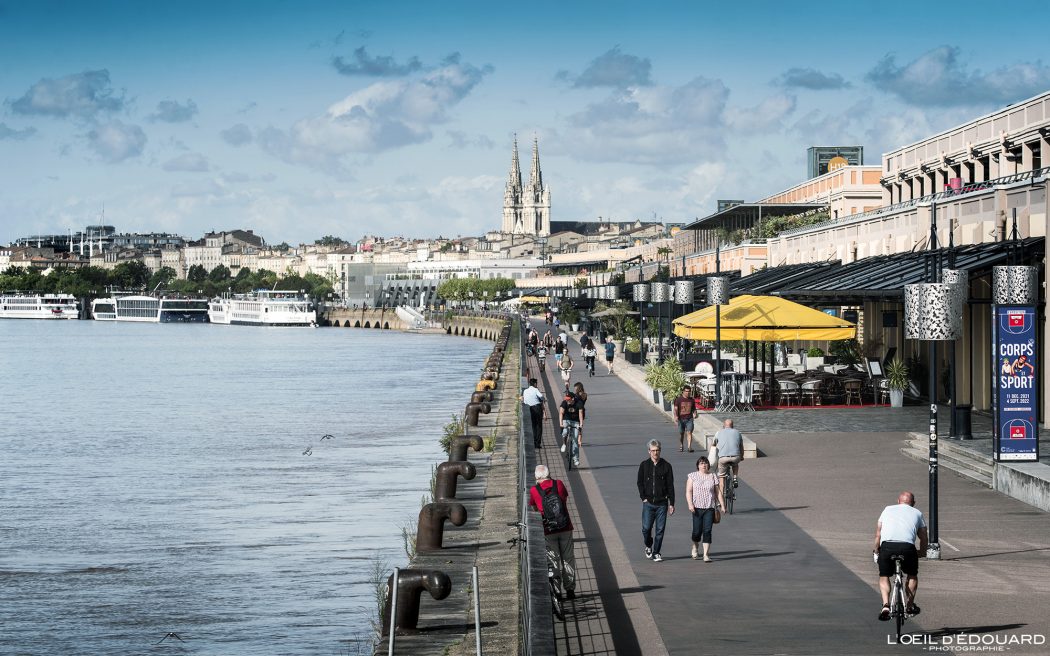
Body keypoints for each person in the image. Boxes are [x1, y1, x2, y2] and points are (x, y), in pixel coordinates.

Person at [874, 491, 928, 621]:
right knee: (912, 575)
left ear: (898, 501)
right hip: (907, 548)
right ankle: (909, 605)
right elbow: (923, 537)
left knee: (884, 575)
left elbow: (878, 534)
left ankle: (886, 605)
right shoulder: (917, 513)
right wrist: (922, 552)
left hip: (887, 547)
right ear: (913, 503)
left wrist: (876, 550)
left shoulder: (887, 509)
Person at [529, 464, 577, 599]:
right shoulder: (559, 484)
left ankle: (557, 591)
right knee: (568, 558)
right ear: (548, 474)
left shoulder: (534, 490)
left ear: (537, 477)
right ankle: (570, 590)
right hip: (565, 527)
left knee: (553, 560)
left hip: (548, 529)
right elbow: (564, 498)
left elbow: (534, 507)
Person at [637, 439, 675, 562]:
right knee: (646, 528)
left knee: (660, 530)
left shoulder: (666, 466)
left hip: (662, 503)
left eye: (657, 450)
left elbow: (670, 486)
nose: (655, 453)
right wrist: (643, 497)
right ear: (649, 451)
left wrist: (671, 503)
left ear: (660, 450)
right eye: (653, 450)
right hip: (648, 503)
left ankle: (656, 552)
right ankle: (648, 545)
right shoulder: (644, 465)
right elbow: (640, 482)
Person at [685, 456, 724, 562]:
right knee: (696, 531)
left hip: (709, 507)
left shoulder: (712, 476)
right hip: (696, 508)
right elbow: (688, 491)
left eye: (706, 463)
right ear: (698, 466)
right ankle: (695, 546)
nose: (704, 465)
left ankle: (706, 555)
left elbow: (717, 492)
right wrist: (690, 504)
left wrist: (722, 504)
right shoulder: (692, 476)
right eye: (701, 463)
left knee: (707, 530)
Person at [713, 418, 743, 483]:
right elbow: (741, 447)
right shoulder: (738, 432)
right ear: (732, 425)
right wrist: (742, 457)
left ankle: (722, 488)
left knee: (721, 476)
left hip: (723, 458)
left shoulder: (718, 432)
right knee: (735, 464)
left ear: (724, 425)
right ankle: (735, 478)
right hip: (735, 457)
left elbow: (713, 444)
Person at [559, 391, 583, 467]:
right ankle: (564, 444)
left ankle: (576, 459)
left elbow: (581, 414)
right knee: (565, 431)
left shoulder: (579, 403)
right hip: (566, 420)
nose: (567, 400)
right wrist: (561, 423)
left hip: (575, 421)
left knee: (575, 439)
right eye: (566, 399)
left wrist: (581, 424)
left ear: (572, 399)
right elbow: (561, 413)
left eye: (568, 399)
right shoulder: (564, 403)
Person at [522, 378, 545, 449]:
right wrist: (543, 399)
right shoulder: (535, 390)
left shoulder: (525, 391)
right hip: (537, 408)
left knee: (533, 425)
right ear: (535, 384)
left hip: (529, 409)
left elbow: (524, 401)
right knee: (539, 426)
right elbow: (541, 397)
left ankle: (533, 442)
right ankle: (537, 443)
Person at [672, 386, 696, 452]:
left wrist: (695, 413)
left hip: (689, 419)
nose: (688, 393)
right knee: (681, 433)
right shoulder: (678, 399)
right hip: (681, 419)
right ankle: (681, 444)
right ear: (683, 391)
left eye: (689, 391)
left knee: (689, 432)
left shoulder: (692, 400)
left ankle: (689, 447)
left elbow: (694, 409)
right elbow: (675, 409)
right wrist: (675, 416)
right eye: (686, 391)